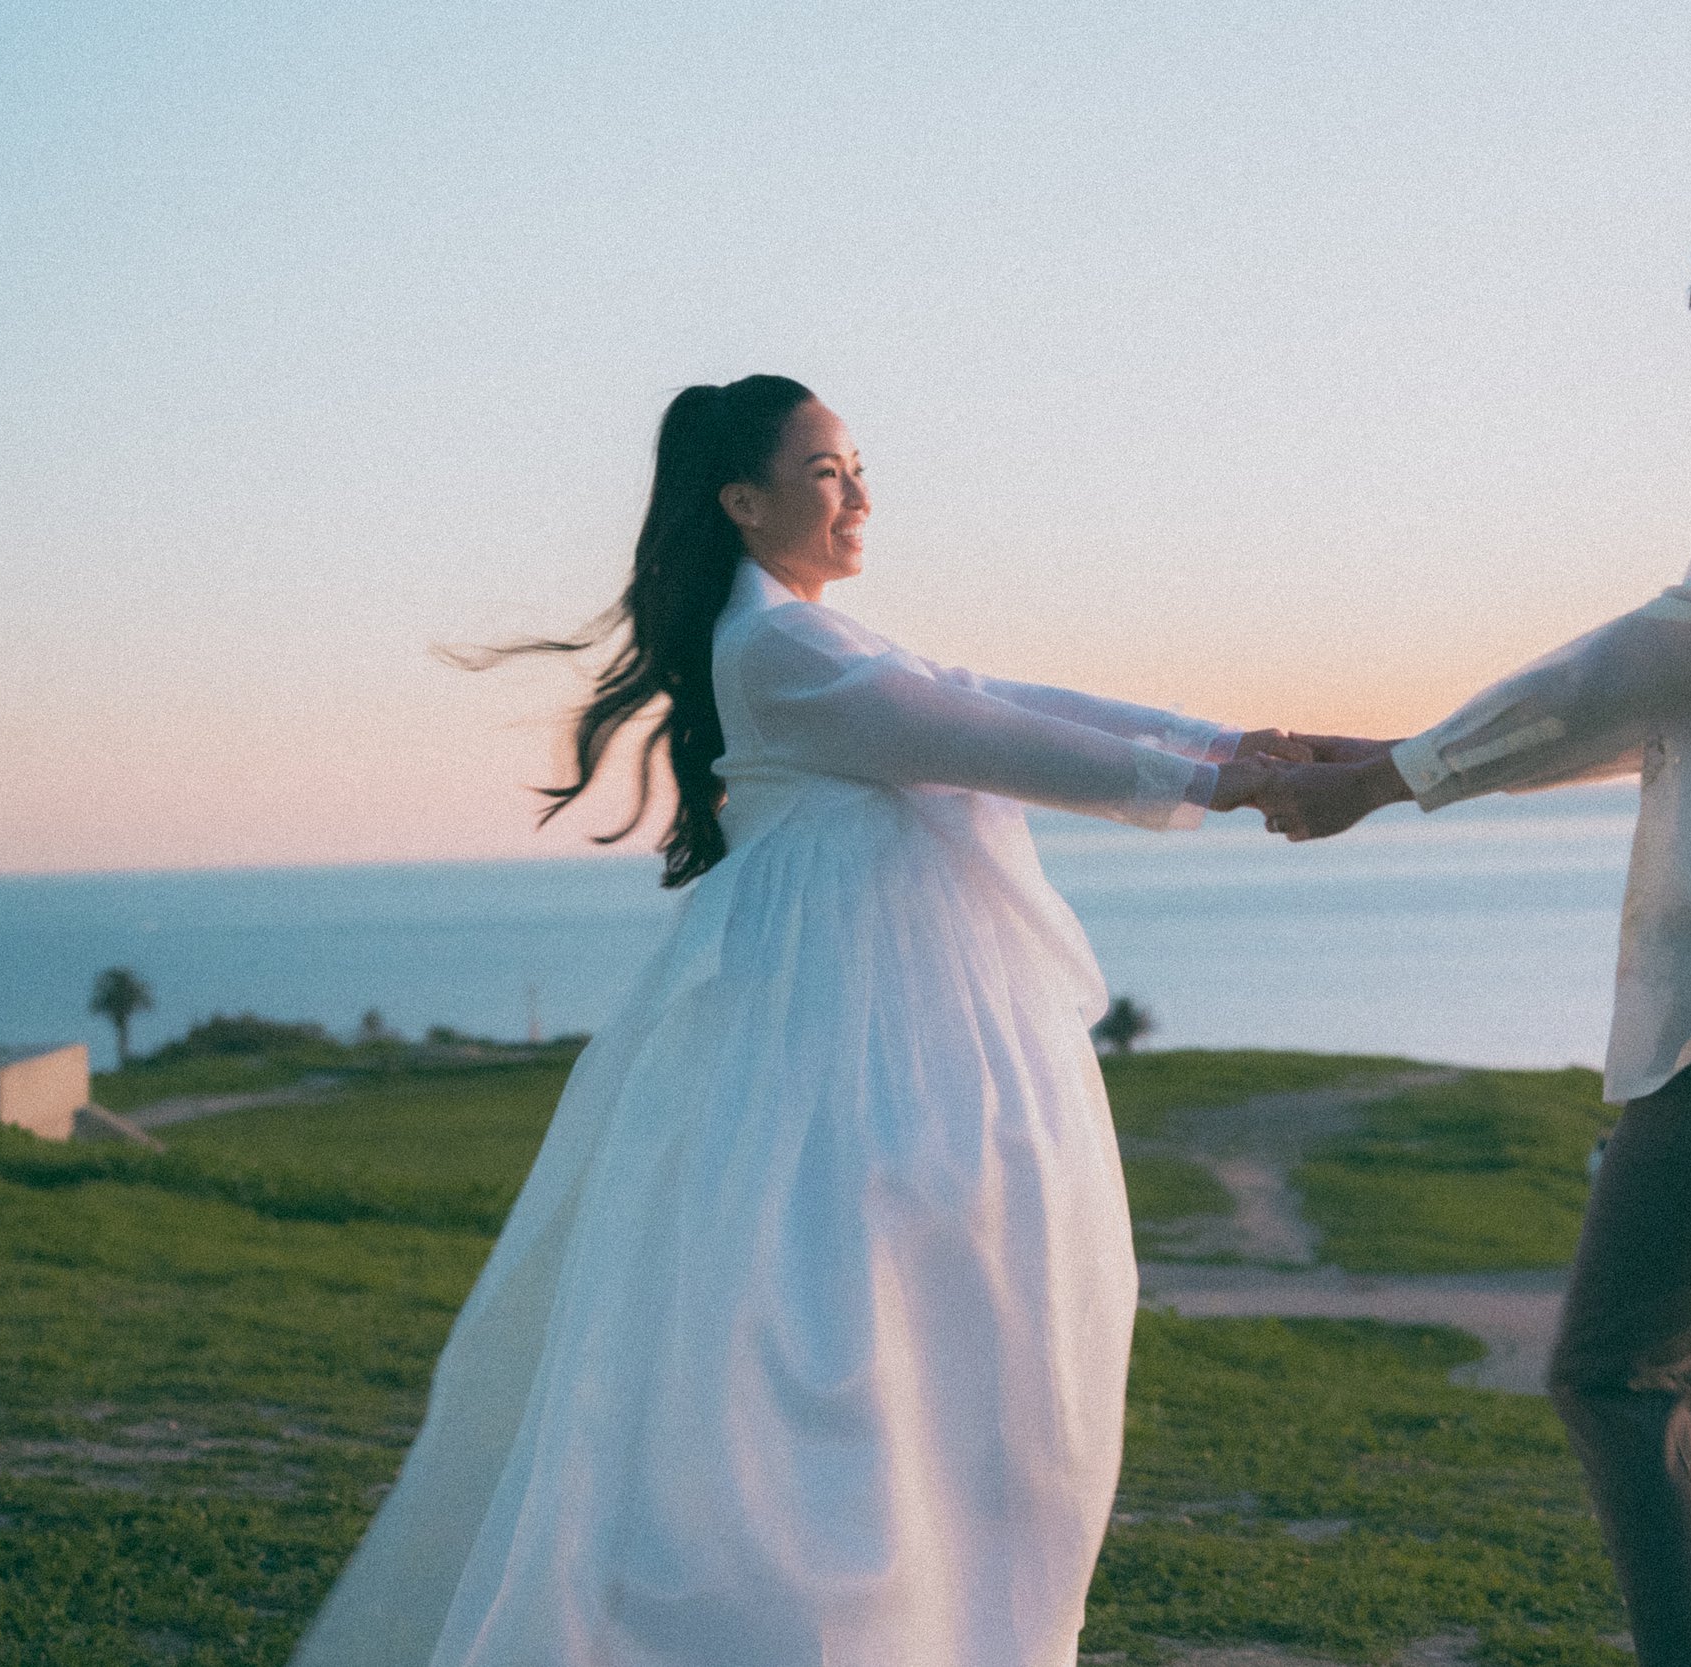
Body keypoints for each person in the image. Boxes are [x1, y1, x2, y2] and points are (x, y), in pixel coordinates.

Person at [290, 376, 1298, 1667]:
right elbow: (991, 739)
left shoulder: (825, 639)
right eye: (828, 473)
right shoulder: (776, 648)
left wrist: (1238, 747)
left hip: (871, 1054)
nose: (862, 494)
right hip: (832, 1073)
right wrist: (1231, 783)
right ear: (743, 501)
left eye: (860, 466)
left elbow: (1007, 696)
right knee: (835, 1392)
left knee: (906, 1386)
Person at [1256, 206, 1691, 1667]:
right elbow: (1654, 720)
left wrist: (1383, 784)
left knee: (1615, 1376)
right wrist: (1399, 754)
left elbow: (1594, 680)